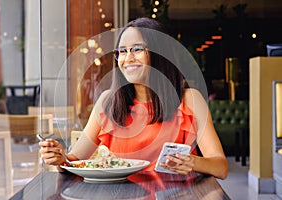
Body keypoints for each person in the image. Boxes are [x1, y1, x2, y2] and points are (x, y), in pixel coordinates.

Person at [39, 17, 228, 179]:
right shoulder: (107, 102)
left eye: (137, 49)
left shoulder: (189, 99)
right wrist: (58, 159)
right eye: (121, 51)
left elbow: (221, 167)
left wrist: (193, 162)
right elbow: (74, 162)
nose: (127, 58)